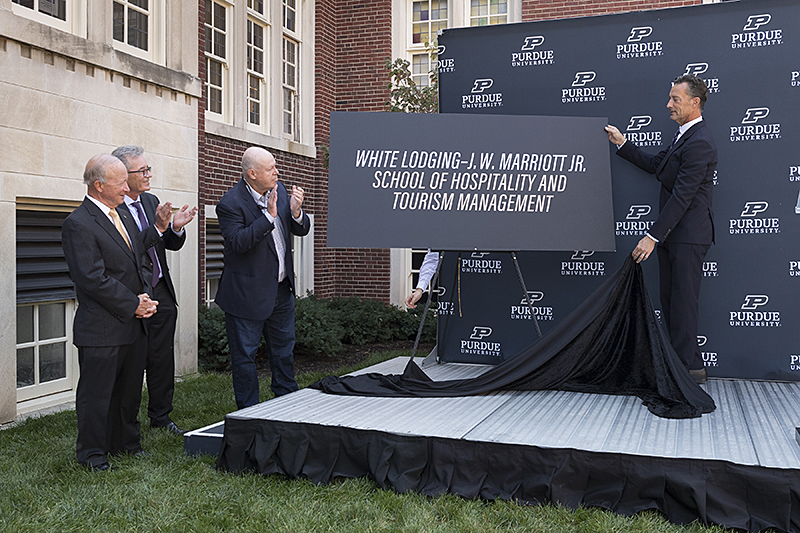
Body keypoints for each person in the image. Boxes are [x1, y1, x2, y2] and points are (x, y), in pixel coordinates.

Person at [605, 73, 716, 384]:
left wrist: (652, 236)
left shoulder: (700, 143)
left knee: (682, 303)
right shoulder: (683, 135)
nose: (668, 104)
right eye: (669, 98)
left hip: (689, 236)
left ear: (695, 103)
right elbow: (658, 166)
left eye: (675, 99)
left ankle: (686, 371)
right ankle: (688, 367)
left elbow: (683, 196)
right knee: (671, 301)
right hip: (675, 235)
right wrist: (623, 143)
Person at [62, 154, 159, 471]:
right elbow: (92, 278)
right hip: (102, 327)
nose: (126, 187)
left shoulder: (125, 216)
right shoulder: (78, 223)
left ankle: (127, 443)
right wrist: (134, 303)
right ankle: (92, 454)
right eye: (120, 182)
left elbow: (135, 258)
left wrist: (144, 297)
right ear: (99, 185)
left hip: (133, 323)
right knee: (97, 395)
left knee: (129, 392)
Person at [215, 146, 311, 408]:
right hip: (246, 295)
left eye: (275, 166)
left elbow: (301, 229)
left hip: (280, 291)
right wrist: (268, 217)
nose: (277, 172)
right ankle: (249, 413)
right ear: (252, 173)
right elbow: (239, 242)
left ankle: (287, 404)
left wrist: (295, 212)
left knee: (283, 352)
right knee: (245, 357)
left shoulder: (279, 195)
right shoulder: (229, 204)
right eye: (271, 169)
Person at [112, 146, 198, 435]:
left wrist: (174, 229)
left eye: (149, 169)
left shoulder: (151, 201)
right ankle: (126, 422)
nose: (149, 175)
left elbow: (165, 244)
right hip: (133, 294)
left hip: (160, 289)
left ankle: (161, 416)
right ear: (123, 175)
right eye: (142, 171)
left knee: (162, 358)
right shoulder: (113, 207)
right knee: (134, 363)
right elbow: (130, 249)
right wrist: (160, 229)